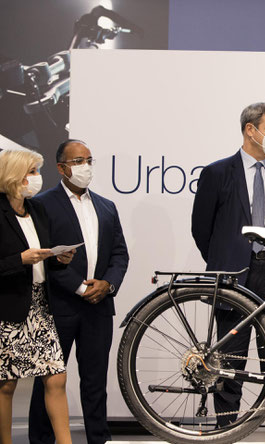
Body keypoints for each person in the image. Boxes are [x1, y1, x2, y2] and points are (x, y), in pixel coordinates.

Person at [191, 102, 265, 442]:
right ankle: (226, 429)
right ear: (250, 130)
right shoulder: (217, 172)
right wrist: (225, 258)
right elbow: (201, 229)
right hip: (234, 275)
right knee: (230, 360)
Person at [29, 139, 130, 444]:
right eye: (77, 161)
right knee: (48, 381)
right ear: (61, 167)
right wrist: (76, 286)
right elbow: (42, 255)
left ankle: (98, 438)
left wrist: (108, 284)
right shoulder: (42, 205)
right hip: (58, 306)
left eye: (88, 160)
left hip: (99, 306)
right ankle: (42, 439)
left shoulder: (106, 206)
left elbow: (119, 254)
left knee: (95, 381)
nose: (85, 167)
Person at [0, 147, 75, 444]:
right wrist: (20, 259)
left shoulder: (37, 210)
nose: (36, 178)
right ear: (14, 175)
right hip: (9, 307)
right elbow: (17, 259)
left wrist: (59, 258)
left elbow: (43, 255)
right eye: (31, 172)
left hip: (40, 305)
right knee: (6, 385)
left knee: (56, 376)